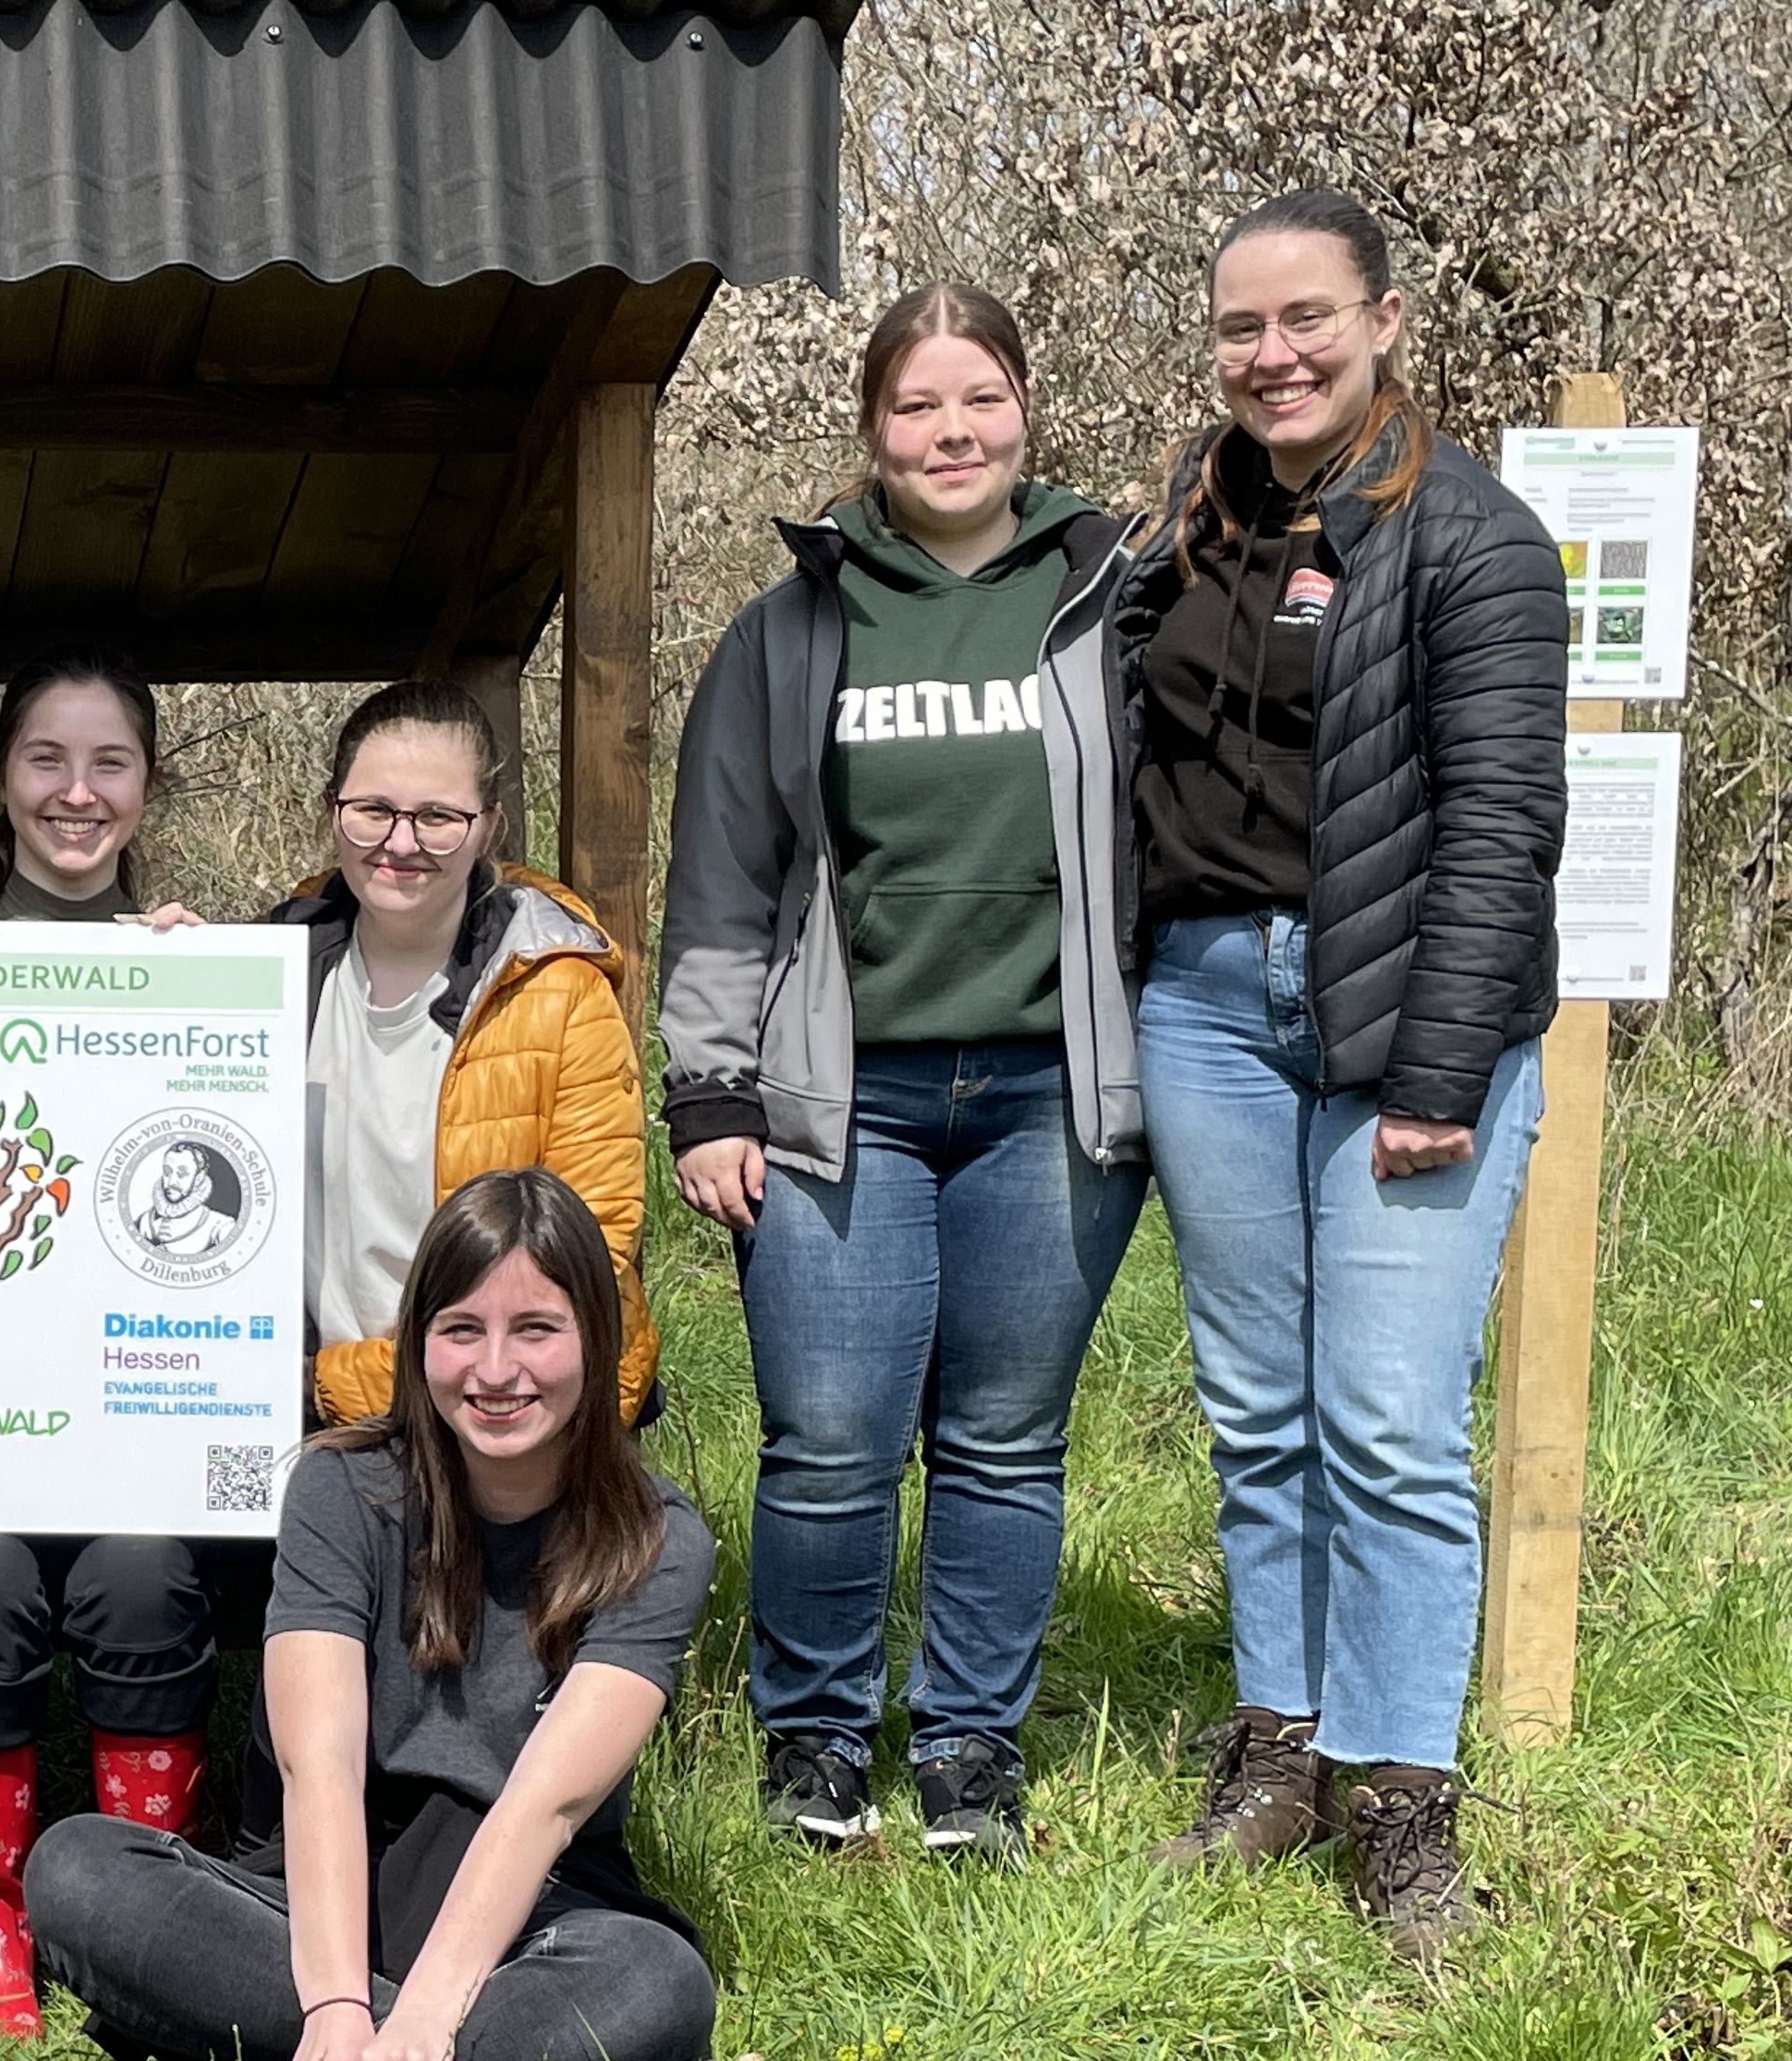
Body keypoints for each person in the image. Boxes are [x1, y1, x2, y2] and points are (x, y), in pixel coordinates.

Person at [0, 1169, 725, 2061]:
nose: (498, 1370)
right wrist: (343, 2008)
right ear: (417, 1346)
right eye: (462, 1330)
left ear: (595, 1339)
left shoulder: (658, 1539)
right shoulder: (337, 1489)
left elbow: (548, 1805)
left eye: (537, 1329)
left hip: (534, 1911)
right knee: (78, 1870)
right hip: (324, 1891)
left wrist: (415, 2030)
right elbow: (321, 1767)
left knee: (658, 1982)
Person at [1125, 189, 1566, 1959]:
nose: (1273, 353)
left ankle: (1401, 1803)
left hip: (1398, 1015)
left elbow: (1502, 824)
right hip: (1208, 1007)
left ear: (1382, 320)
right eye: (1241, 326)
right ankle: (1279, 1747)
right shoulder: (1183, 523)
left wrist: (1442, 1058)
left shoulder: (1475, 537)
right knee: (1256, 1414)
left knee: (1383, 1417)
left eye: (1306, 318)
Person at [654, 284, 1146, 1860]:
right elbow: (723, 877)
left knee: (1004, 1435)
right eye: (918, 406)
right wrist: (708, 1091)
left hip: (1043, 1097)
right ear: (871, 430)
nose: (952, 432)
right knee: (827, 1432)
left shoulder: (1108, 600)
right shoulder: (791, 627)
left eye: (980, 399)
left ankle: (967, 1747)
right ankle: (813, 1739)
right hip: (835, 1098)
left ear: (1024, 409)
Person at [0, 654, 230, 2040]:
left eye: (109, 763)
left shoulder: (199, 969)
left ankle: (138, 1899)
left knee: (147, 1579)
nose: (75, 792)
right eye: (45, 759)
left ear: (148, 787)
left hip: (130, 1433)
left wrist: (219, 995)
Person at [286, 680, 657, 1436]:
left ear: (488, 826)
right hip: (302, 1417)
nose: (399, 843)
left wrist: (335, 1384)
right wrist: (173, 969)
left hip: (501, 1418)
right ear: (333, 810)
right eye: (373, 811)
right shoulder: (268, 970)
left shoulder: (561, 993)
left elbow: (589, 1249)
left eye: (438, 818)